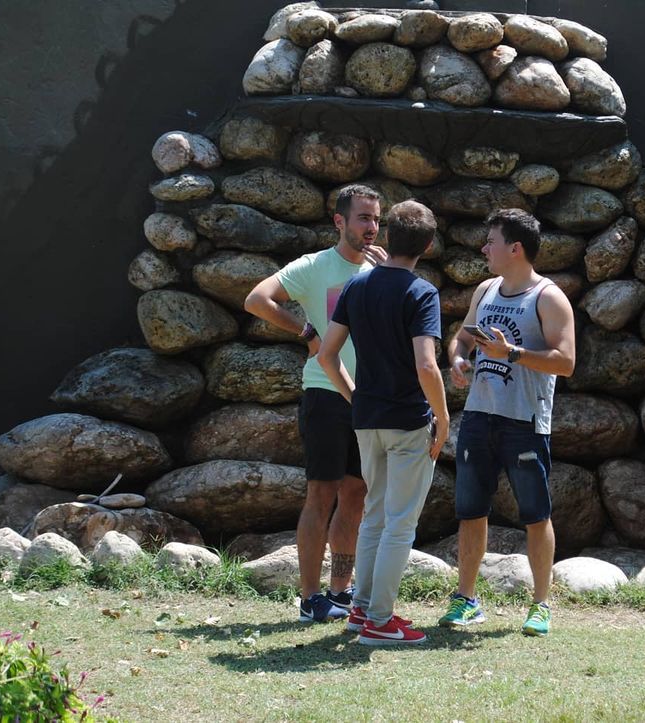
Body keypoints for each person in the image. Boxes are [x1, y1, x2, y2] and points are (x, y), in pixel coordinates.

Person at [244, 184, 386, 623]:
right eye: (363, 218)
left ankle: (340, 592)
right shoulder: (313, 266)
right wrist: (306, 332)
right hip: (325, 394)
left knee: (356, 494)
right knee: (321, 494)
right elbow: (257, 300)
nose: (372, 227)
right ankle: (309, 598)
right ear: (339, 221)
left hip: (369, 397)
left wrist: (388, 276)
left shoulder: (383, 270)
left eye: (376, 219)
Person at [318, 200, 449, 646]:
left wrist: (355, 397)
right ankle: (379, 619)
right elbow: (426, 365)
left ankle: (362, 611)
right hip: (408, 421)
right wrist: (443, 417)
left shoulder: (357, 286)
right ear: (427, 246)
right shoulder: (421, 293)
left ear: (388, 236)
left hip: (366, 419)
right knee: (400, 523)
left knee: (374, 515)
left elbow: (327, 356)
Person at [439, 208, 575, 637]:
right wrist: (457, 359)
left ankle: (540, 605)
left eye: (491, 242)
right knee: (470, 511)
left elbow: (566, 362)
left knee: (535, 514)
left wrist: (512, 353)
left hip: (524, 422)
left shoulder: (548, 298)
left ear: (515, 248)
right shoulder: (485, 290)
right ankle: (466, 599)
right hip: (479, 416)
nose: (484, 249)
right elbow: (463, 337)